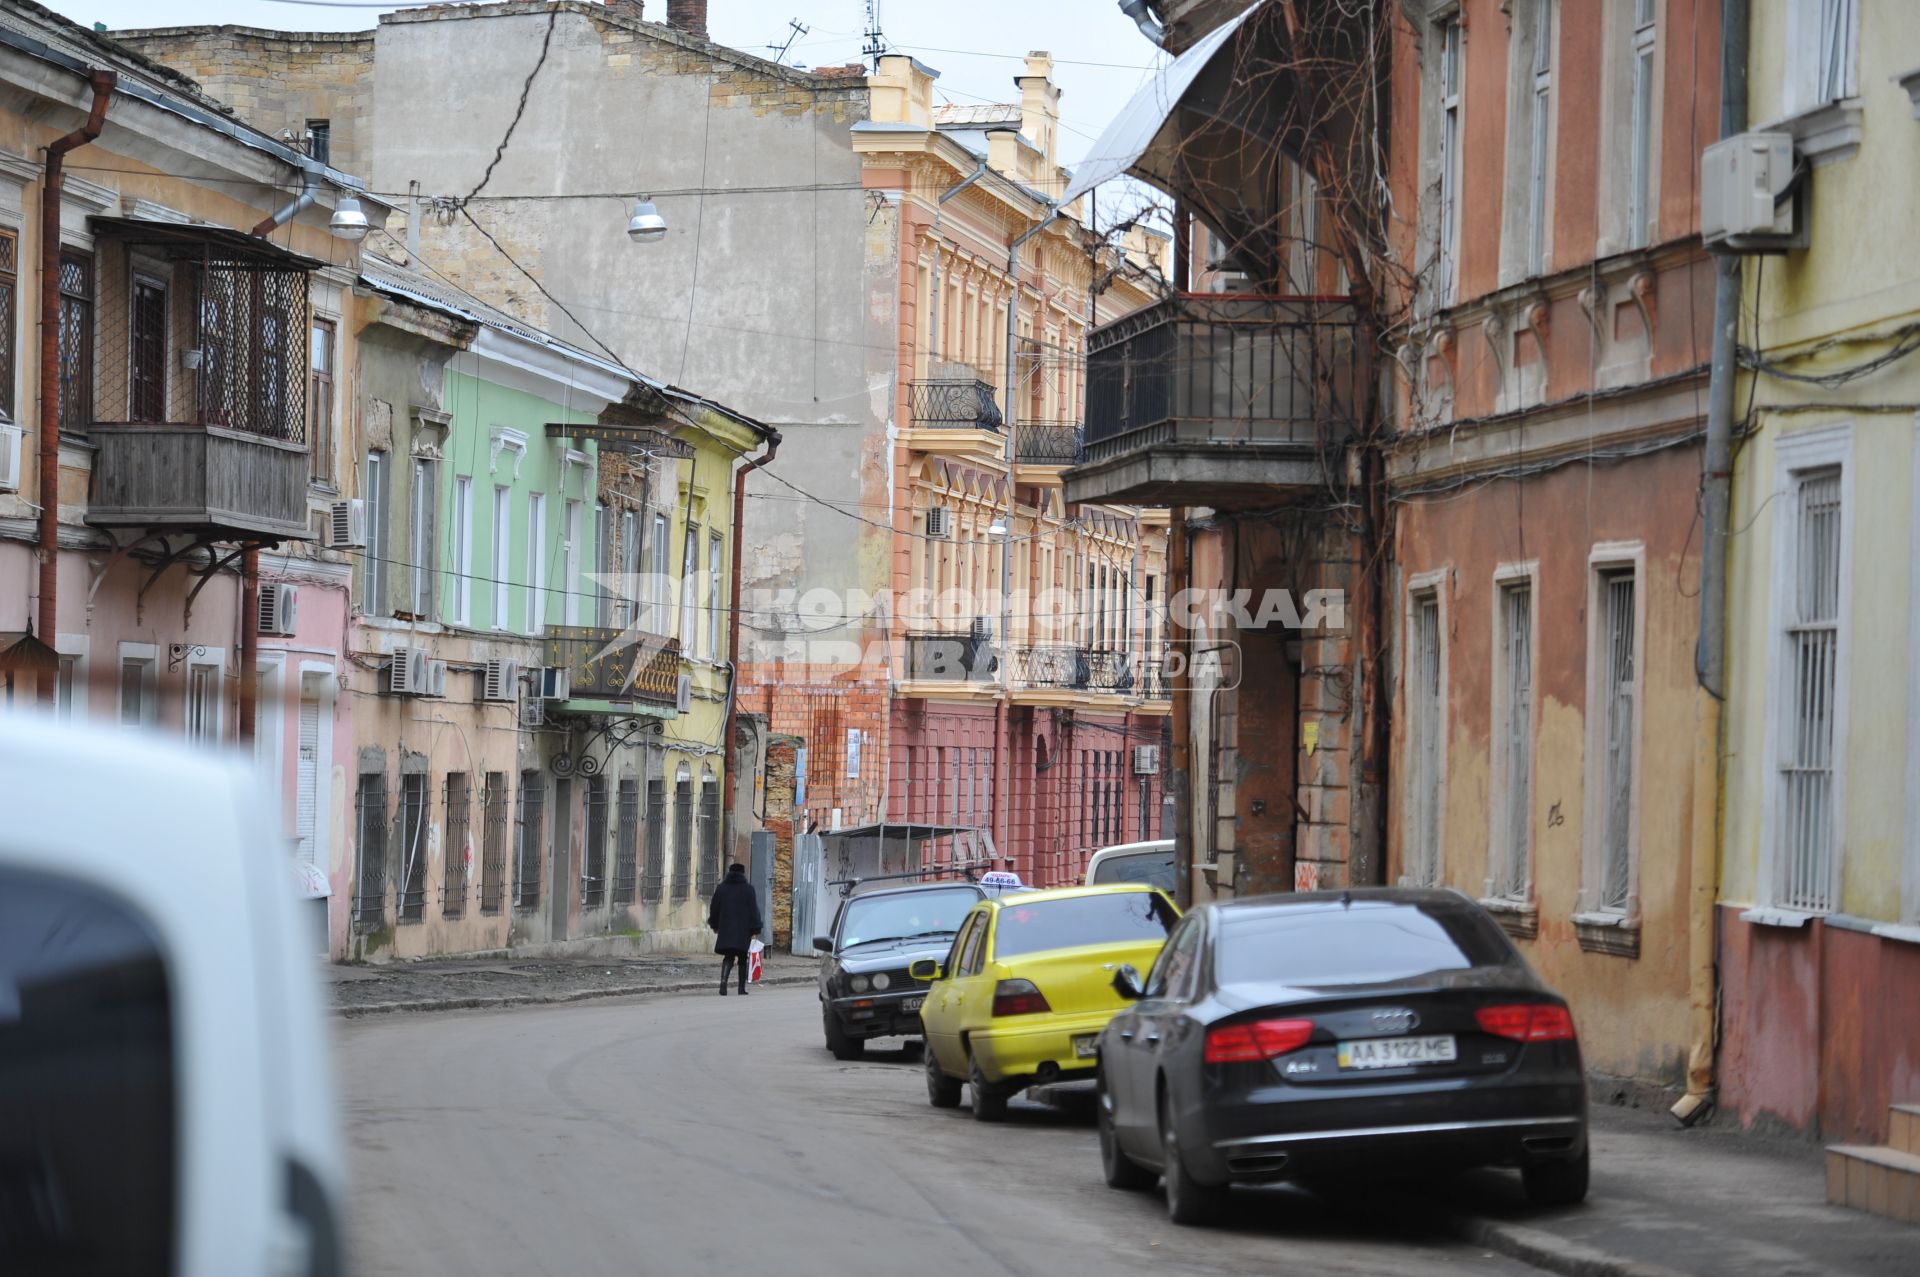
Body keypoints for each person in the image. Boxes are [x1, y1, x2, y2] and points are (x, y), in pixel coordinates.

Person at [707, 861, 763, 996]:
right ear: (743, 873)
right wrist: (756, 929)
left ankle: (723, 983)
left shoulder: (721, 888)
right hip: (743, 930)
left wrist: (715, 925)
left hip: (726, 929)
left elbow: (714, 908)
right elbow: (754, 910)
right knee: (743, 958)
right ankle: (741, 988)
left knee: (729, 956)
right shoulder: (748, 889)